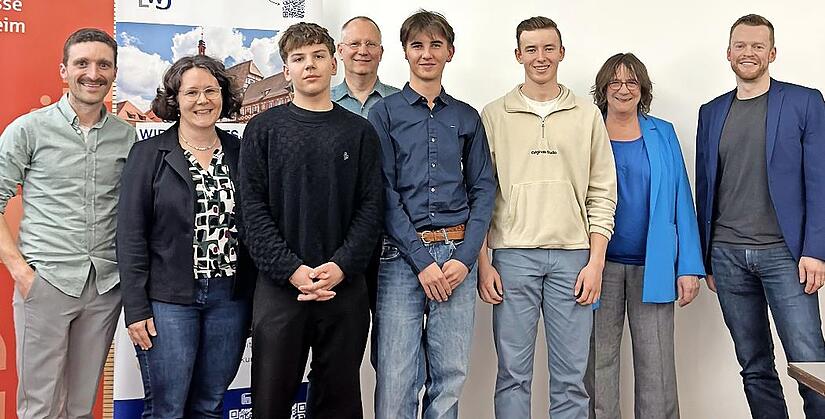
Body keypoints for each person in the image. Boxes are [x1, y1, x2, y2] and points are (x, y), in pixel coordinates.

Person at [238, 22, 383, 418]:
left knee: (337, 403)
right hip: (281, 288)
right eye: (298, 59)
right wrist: (292, 270)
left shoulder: (360, 132)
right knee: (270, 402)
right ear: (286, 71)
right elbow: (251, 211)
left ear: (334, 63)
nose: (310, 65)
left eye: (319, 56)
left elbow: (371, 210)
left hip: (343, 289)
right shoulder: (262, 129)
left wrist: (340, 267)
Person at [476, 16, 617, 419]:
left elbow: (603, 193)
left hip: (574, 259)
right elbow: (483, 194)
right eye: (532, 49)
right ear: (519, 55)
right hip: (512, 257)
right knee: (512, 376)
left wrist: (596, 263)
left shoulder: (587, 114)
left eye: (548, 48)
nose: (541, 57)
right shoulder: (494, 115)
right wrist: (484, 263)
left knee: (571, 379)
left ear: (561, 53)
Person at [0, 28, 135, 418]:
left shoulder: (127, 137)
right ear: (64, 71)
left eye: (103, 65)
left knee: (81, 405)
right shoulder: (29, 129)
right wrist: (21, 272)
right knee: (39, 405)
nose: (93, 73)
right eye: (82, 63)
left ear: (113, 73)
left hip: (105, 287)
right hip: (46, 283)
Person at [695, 13, 825, 419]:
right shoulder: (711, 112)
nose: (747, 53)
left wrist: (817, 250)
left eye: (756, 46)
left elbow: (821, 180)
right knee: (753, 365)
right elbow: (705, 186)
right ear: (728, 52)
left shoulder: (805, 101)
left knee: (811, 363)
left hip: (787, 256)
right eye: (740, 45)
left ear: (771, 52)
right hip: (728, 256)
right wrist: (706, 257)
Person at [369, 10, 496, 419]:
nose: (427, 54)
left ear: (450, 52)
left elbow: (483, 188)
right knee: (396, 375)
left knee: (451, 375)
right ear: (405, 52)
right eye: (418, 46)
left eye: (435, 45)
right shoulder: (383, 114)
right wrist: (422, 262)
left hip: (457, 256)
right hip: (400, 259)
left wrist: (463, 259)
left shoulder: (466, 117)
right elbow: (384, 194)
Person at [116, 54, 254, 418]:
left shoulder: (243, 153)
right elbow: (130, 235)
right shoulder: (148, 154)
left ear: (223, 95)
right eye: (191, 92)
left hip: (231, 300)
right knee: (167, 409)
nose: (202, 100)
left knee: (208, 407)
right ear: (175, 100)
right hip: (168, 300)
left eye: (211, 90)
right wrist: (136, 308)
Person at [585, 53, 704, 419]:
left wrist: (688, 267)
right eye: (615, 82)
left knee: (658, 369)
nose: (623, 89)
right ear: (603, 89)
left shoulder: (662, 132)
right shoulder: (586, 131)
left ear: (643, 89)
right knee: (598, 366)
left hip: (654, 267)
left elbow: (682, 199)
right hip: (596, 268)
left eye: (632, 82)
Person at [333, 16, 400, 118]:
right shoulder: (323, 101)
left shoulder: (401, 101)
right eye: (354, 44)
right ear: (340, 51)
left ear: (380, 53)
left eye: (371, 44)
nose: (363, 52)